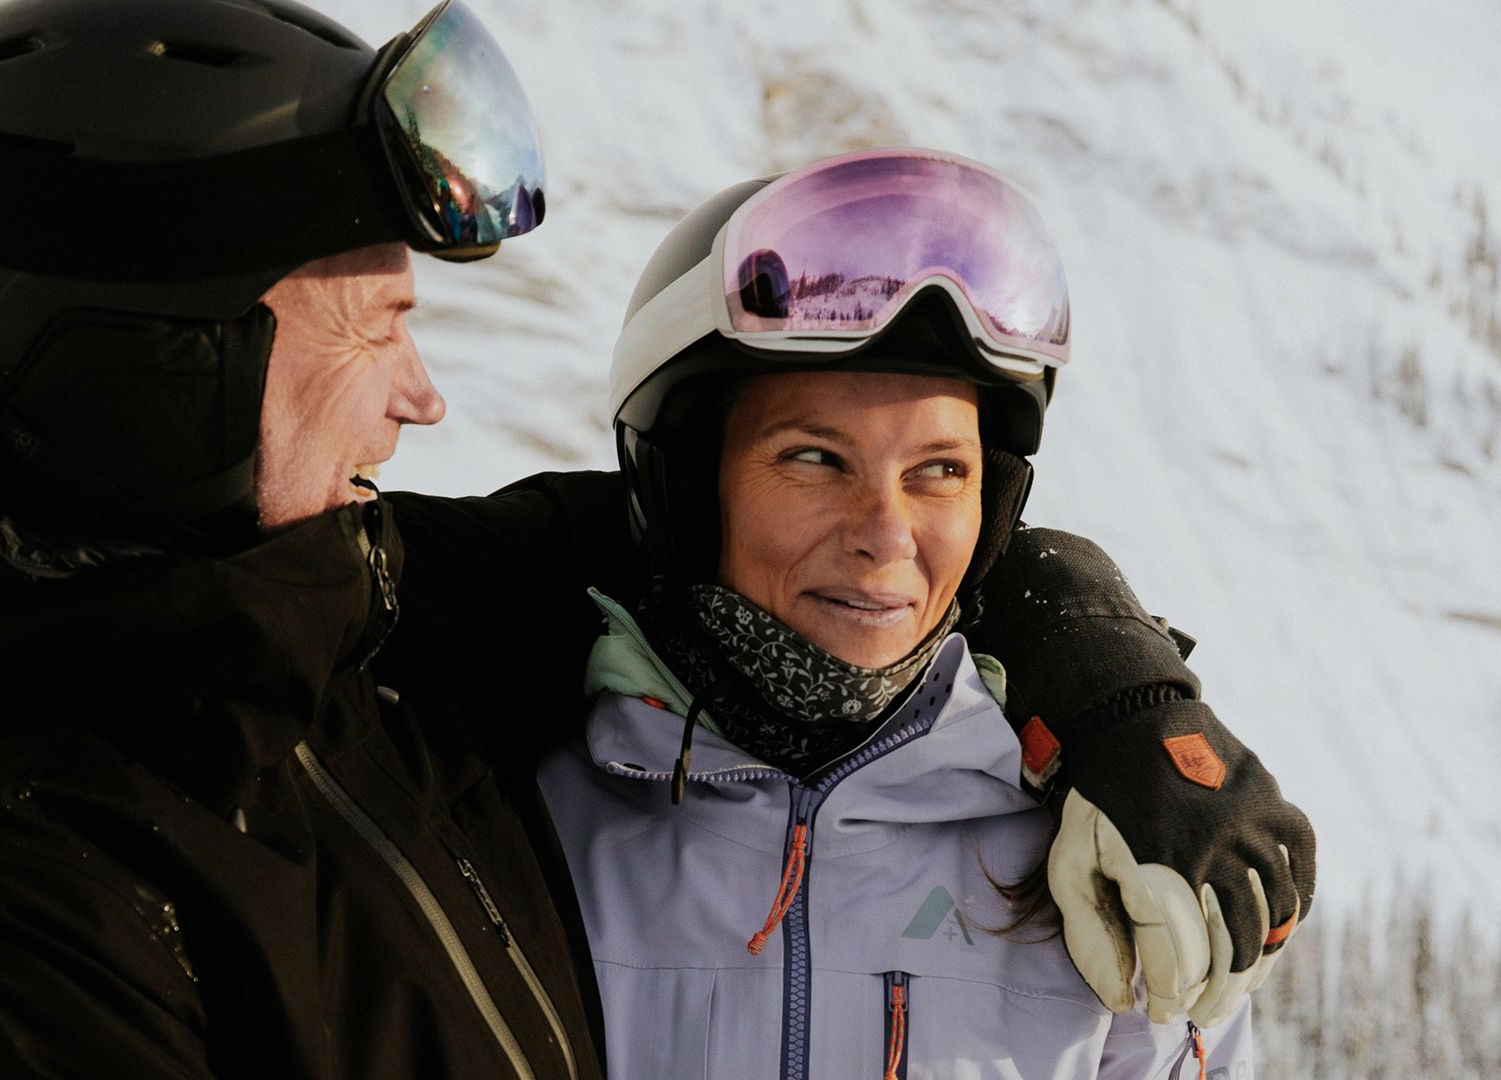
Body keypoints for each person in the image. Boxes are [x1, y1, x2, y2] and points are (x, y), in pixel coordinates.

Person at [0, 0, 1309, 1075]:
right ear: (165, 379)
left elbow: (772, 559)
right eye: (372, 328)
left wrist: (1103, 675)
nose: (423, 398)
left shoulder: (371, 629)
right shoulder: (5, 909)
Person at [536, 149, 1272, 1077]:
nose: (886, 536)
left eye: (941, 470)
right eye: (813, 458)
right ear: (683, 486)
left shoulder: (1107, 881)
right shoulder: (525, 828)